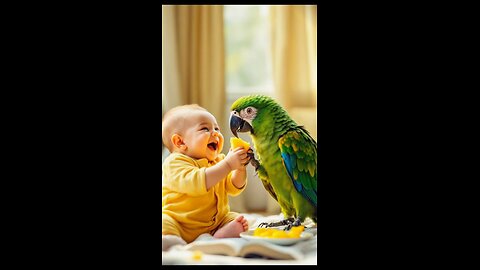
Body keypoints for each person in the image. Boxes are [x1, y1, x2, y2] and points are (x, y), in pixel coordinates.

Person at [162, 104, 251, 250]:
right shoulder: (174, 163)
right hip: (180, 224)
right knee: (164, 222)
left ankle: (215, 238)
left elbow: (234, 187)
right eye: (205, 129)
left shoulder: (219, 161)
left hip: (215, 224)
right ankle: (173, 242)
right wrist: (228, 165)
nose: (215, 133)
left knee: (238, 221)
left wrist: (239, 169)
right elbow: (196, 182)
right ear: (180, 142)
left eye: (216, 128)